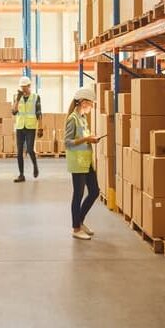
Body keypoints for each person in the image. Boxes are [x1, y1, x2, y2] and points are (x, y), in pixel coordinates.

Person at [64, 87, 100, 240]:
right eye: (90, 104)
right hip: (78, 162)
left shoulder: (83, 118)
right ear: (83, 102)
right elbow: (67, 142)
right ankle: (76, 228)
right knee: (78, 195)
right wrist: (87, 139)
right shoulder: (73, 118)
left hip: (86, 161)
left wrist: (91, 138)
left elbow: (84, 137)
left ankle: (80, 220)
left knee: (94, 191)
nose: (91, 107)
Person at [12, 76, 42, 182]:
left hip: (30, 126)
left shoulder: (35, 97)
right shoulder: (16, 96)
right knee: (19, 151)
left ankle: (35, 165)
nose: (23, 89)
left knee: (29, 149)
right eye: (22, 87)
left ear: (29, 86)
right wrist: (17, 99)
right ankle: (21, 175)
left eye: (25, 87)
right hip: (20, 126)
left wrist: (41, 127)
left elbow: (39, 113)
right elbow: (14, 112)